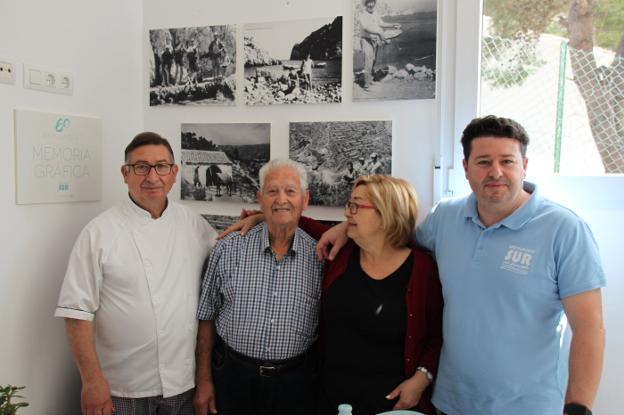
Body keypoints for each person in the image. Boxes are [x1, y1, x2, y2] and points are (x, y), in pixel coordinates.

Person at [317, 115, 606, 415]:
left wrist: (578, 408)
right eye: (483, 162)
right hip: (451, 403)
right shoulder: (446, 218)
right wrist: (345, 227)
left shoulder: (564, 229)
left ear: (525, 165)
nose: (496, 172)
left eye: (507, 161)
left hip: (527, 406)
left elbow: (589, 328)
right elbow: (393, 239)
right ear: (466, 168)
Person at [54, 132, 218, 415]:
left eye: (161, 166)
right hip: (121, 387)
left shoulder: (193, 223)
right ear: (125, 173)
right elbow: (76, 313)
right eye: (141, 167)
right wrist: (92, 382)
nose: (152, 176)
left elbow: (226, 251)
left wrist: (256, 217)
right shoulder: (99, 232)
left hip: (181, 384)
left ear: (174, 172)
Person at [194, 159, 323, 415]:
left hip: (296, 383)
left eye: (290, 191)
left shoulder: (320, 256)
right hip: (232, 377)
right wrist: (204, 381)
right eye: (272, 191)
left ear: (305, 200)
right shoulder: (228, 248)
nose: (281, 200)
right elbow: (206, 317)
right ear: (260, 198)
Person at [358, 0, 401, 89]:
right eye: (368, 2)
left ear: (374, 3)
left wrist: (393, 25)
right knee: (368, 60)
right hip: (366, 40)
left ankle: (370, 80)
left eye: (372, 2)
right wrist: (380, 33)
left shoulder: (375, 13)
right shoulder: (362, 14)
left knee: (373, 60)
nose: (371, 4)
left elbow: (381, 23)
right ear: (365, 4)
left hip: (374, 40)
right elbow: (366, 28)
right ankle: (366, 85)